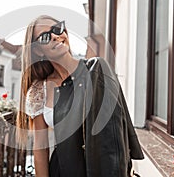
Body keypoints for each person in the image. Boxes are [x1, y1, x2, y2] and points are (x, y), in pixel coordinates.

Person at [16, 15, 144, 177]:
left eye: (57, 29)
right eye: (45, 37)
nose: (56, 36)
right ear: (37, 49)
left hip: (102, 169)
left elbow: (114, 133)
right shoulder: (38, 91)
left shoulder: (97, 71)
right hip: (62, 170)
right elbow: (40, 148)